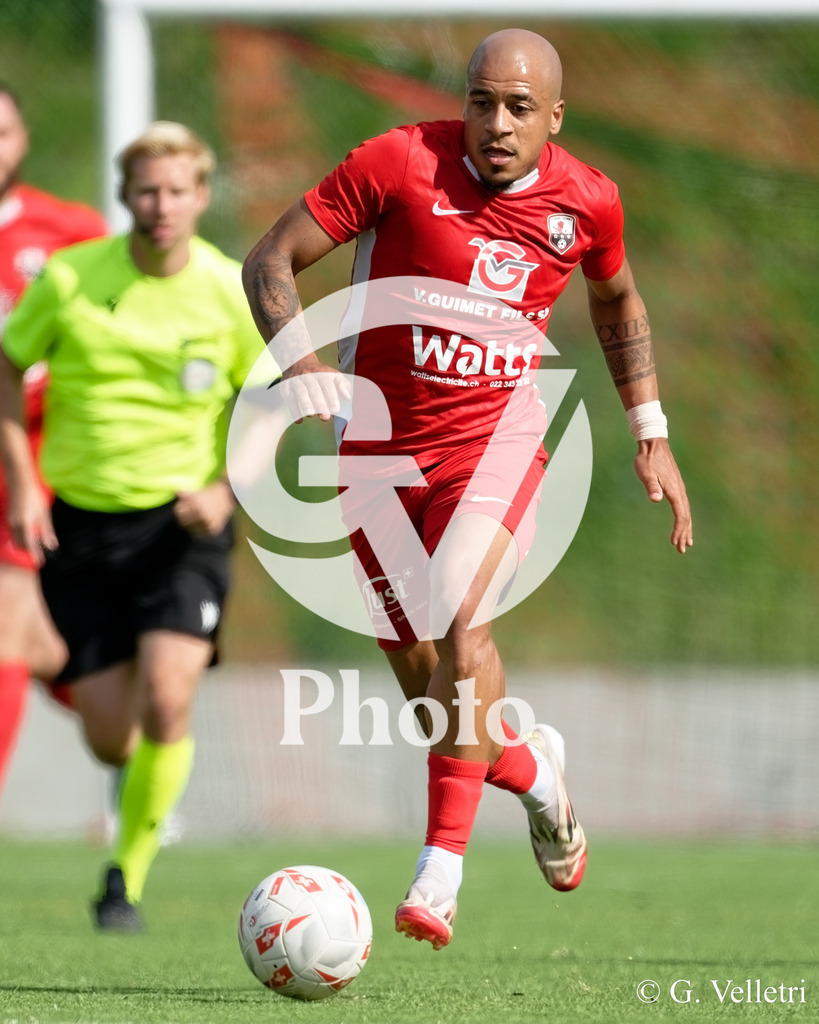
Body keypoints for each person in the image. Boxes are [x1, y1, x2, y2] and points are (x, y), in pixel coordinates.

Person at [242, 28, 693, 950]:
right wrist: (299, 366)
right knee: (439, 702)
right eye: (481, 101)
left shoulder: (587, 201)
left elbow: (617, 299)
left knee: (461, 611)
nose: (496, 123)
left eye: (519, 108)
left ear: (554, 117)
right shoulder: (399, 162)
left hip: (497, 443)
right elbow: (269, 259)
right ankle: (535, 773)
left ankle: (436, 873)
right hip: (373, 459)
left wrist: (650, 431)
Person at [0, 120, 268, 931]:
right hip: (80, 530)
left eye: (177, 191)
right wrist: (24, 485)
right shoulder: (74, 278)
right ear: (124, 197)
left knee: (167, 697)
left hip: (181, 532)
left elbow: (271, 401)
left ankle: (126, 877)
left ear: (199, 197)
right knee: (114, 740)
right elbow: (9, 368)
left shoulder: (227, 289)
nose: (161, 206)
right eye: (146, 190)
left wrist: (228, 489)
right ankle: (83, 703)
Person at [0, 82, 107, 794]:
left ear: (23, 140)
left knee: (10, 623)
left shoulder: (68, 230)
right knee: (25, 635)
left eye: (1, 131)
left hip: (31, 455)